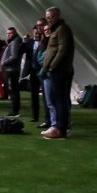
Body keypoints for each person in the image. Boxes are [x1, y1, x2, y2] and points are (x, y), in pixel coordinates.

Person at [42, 7, 75, 140]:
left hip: (58, 71)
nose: (49, 20)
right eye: (47, 17)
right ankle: (58, 127)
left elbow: (63, 49)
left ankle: (60, 129)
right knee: (56, 100)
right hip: (55, 70)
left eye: (51, 17)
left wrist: (52, 66)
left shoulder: (62, 29)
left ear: (58, 16)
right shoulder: (56, 29)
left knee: (58, 100)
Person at [0, 27, 23, 117]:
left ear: (14, 33)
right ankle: (14, 109)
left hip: (11, 70)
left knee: (13, 90)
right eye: (7, 33)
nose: (8, 35)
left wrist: (4, 63)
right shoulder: (13, 41)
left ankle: (15, 110)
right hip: (10, 69)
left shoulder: (15, 41)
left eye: (10, 33)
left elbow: (14, 56)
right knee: (13, 90)